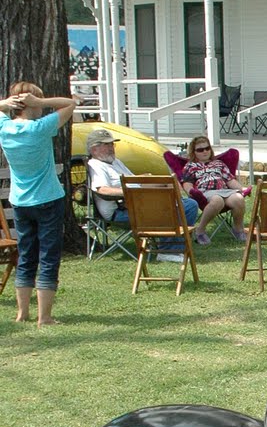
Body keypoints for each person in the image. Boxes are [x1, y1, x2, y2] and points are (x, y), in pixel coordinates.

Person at [0, 80, 78, 327]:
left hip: (20, 202)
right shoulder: (40, 128)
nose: (41, 108)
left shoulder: (5, 128)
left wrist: (5, 104)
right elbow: (70, 104)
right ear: (30, 104)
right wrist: (42, 101)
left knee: (26, 255)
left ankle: (22, 313)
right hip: (47, 199)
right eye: (37, 103)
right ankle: (44, 317)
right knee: (48, 256)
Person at [86, 128, 198, 259]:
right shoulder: (95, 165)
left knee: (189, 204)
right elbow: (102, 190)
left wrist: (147, 180)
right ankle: (167, 251)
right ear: (94, 149)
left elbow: (133, 179)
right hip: (121, 211)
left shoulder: (115, 162)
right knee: (175, 208)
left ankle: (174, 247)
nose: (111, 148)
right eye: (107, 145)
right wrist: (133, 191)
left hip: (139, 205)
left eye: (112, 144)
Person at [180, 136, 247, 244]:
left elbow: (230, 180)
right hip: (205, 192)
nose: (205, 151)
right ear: (194, 152)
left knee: (238, 198)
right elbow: (187, 183)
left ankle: (238, 229)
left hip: (224, 191)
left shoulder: (219, 164)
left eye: (207, 148)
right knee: (217, 200)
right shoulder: (191, 166)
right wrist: (191, 191)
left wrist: (242, 189)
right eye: (200, 150)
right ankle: (200, 231)